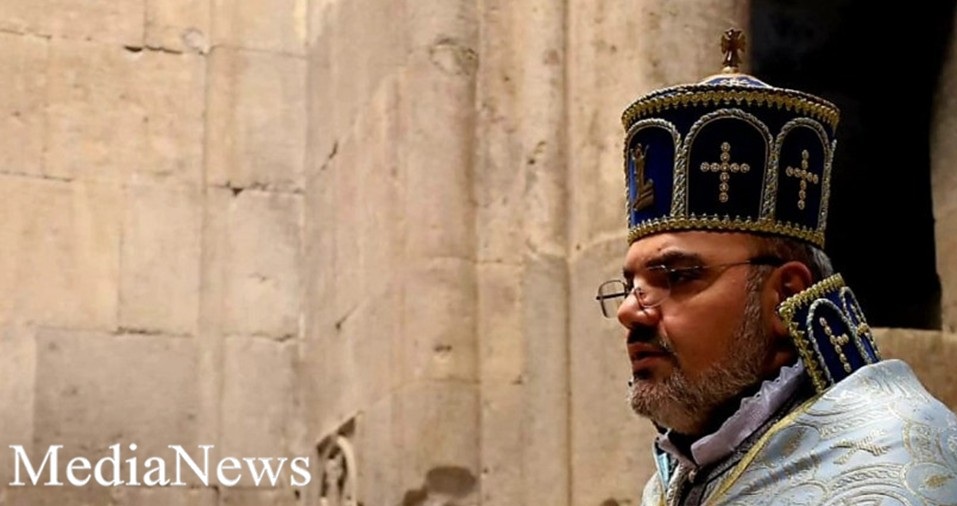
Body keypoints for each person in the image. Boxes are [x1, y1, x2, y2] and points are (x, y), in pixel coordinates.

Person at [595, 28, 957, 505]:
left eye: (676, 276)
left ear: (785, 294)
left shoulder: (895, 467)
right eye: (630, 285)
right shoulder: (678, 477)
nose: (630, 312)